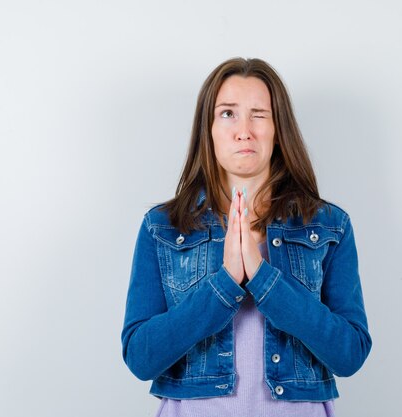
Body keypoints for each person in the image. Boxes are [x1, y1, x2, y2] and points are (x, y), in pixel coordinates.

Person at [121, 57, 371, 417]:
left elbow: (349, 354)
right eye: (228, 113)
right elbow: (141, 358)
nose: (244, 131)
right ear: (207, 128)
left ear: (277, 128)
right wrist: (224, 284)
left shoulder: (329, 225)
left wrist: (265, 281)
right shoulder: (162, 227)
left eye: (259, 114)